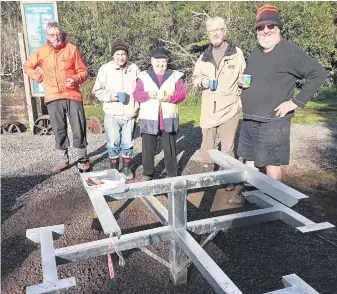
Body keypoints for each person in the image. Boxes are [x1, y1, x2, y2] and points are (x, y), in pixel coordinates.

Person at [238, 5, 327, 182]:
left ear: (278, 28)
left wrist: (295, 102)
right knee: (249, 159)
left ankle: (276, 204)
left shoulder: (289, 51)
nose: (265, 30)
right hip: (250, 118)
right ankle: (251, 196)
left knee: (271, 163)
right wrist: (243, 83)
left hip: (273, 121)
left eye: (270, 26)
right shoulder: (256, 52)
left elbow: (318, 73)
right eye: (261, 27)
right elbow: (256, 78)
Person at [24, 22, 90, 173]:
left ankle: (82, 159)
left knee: (79, 127)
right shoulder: (41, 51)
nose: (56, 37)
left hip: (72, 94)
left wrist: (74, 79)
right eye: (52, 35)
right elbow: (28, 66)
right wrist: (39, 77)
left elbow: (83, 72)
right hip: (53, 96)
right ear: (47, 36)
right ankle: (63, 160)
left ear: (62, 34)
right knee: (59, 129)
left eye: (58, 34)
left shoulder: (71, 49)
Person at [192, 16, 246, 191]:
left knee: (227, 146)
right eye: (211, 31)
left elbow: (244, 77)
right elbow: (195, 80)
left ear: (225, 31)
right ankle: (208, 178)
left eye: (218, 29)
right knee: (207, 145)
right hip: (209, 109)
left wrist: (243, 84)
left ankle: (228, 177)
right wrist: (202, 82)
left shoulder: (236, 53)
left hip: (230, 107)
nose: (215, 33)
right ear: (208, 34)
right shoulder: (203, 56)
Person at [133, 47, 186, 181]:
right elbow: (136, 94)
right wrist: (147, 94)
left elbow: (182, 94)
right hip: (149, 117)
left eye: (163, 61)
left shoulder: (175, 76)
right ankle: (148, 173)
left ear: (167, 61)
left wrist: (170, 98)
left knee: (170, 149)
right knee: (148, 150)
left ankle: (172, 174)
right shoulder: (143, 76)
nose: (160, 64)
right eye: (157, 61)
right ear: (151, 61)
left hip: (168, 118)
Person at [92, 39, 140, 180]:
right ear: (113, 55)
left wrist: (138, 107)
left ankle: (126, 168)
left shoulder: (134, 68)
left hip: (129, 113)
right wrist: (110, 96)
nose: (120, 57)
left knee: (128, 142)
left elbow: (141, 89)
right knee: (113, 142)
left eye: (123, 54)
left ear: (127, 55)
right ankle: (114, 169)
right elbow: (97, 90)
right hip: (112, 113)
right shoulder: (105, 69)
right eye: (117, 54)